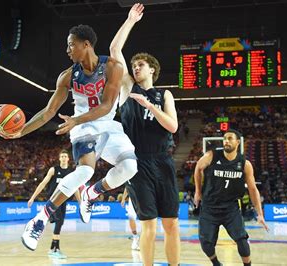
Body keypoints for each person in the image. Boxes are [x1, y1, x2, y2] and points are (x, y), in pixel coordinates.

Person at [0, 24, 137, 251]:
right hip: (83, 127)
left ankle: (92, 194)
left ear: (86, 44)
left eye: (71, 45)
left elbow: (107, 106)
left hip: (105, 124)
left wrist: (75, 120)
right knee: (85, 171)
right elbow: (48, 112)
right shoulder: (67, 77)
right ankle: (39, 220)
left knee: (131, 166)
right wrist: (19, 132)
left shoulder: (113, 67)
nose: (68, 50)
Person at [110, 3, 180, 265]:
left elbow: (172, 126)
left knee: (171, 223)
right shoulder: (128, 88)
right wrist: (130, 21)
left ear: (152, 69)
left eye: (140, 65)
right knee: (148, 225)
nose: (135, 67)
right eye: (134, 65)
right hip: (137, 163)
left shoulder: (165, 95)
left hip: (163, 161)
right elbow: (115, 50)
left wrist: (151, 106)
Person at [194, 129, 269, 266]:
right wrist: (198, 192)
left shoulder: (245, 164)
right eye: (224, 138)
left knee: (242, 240)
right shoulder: (211, 155)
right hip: (209, 207)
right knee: (206, 244)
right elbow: (198, 168)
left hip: (231, 208)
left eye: (230, 138)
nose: (226, 141)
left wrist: (260, 214)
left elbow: (253, 189)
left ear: (238, 142)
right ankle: (216, 263)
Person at [27, 149, 80, 259]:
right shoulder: (53, 170)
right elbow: (43, 183)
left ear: (68, 159)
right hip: (53, 200)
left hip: (63, 200)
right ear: (59, 158)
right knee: (59, 221)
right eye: (62, 156)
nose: (64, 158)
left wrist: (81, 202)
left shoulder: (71, 172)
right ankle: (55, 249)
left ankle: (53, 248)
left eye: (66, 156)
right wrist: (32, 197)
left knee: (60, 223)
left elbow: (75, 188)